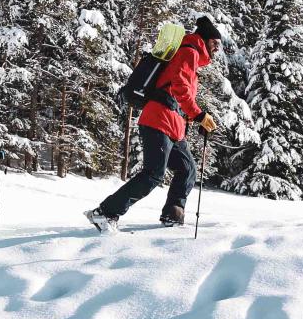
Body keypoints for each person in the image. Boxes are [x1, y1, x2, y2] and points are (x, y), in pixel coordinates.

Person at [88, 15, 223, 230]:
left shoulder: (193, 57)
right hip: (159, 119)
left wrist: (195, 119)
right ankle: (105, 213)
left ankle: (173, 215)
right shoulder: (189, 52)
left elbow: (175, 92)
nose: (217, 49)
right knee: (153, 173)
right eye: (215, 43)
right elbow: (179, 88)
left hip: (174, 126)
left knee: (187, 169)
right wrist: (198, 115)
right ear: (205, 40)